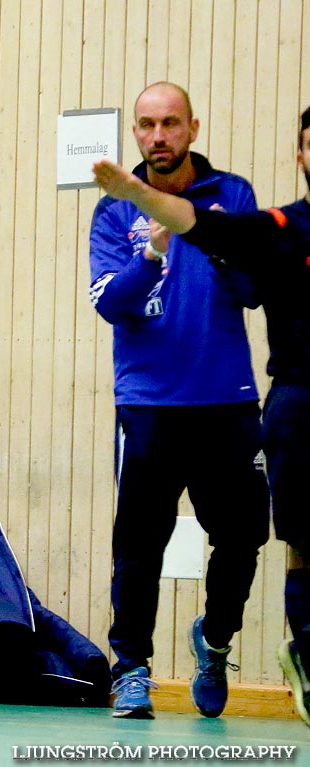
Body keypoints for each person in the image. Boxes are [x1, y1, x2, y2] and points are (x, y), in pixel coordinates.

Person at [93, 104, 310, 727]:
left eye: (170, 123)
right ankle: (131, 669)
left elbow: (250, 288)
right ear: (136, 133)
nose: (158, 135)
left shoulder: (231, 194)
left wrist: (215, 244)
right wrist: (152, 256)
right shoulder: (115, 206)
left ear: (192, 129)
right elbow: (110, 303)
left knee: (242, 537)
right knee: (139, 546)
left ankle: (213, 646)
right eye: (147, 125)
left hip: (229, 401)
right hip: (149, 406)